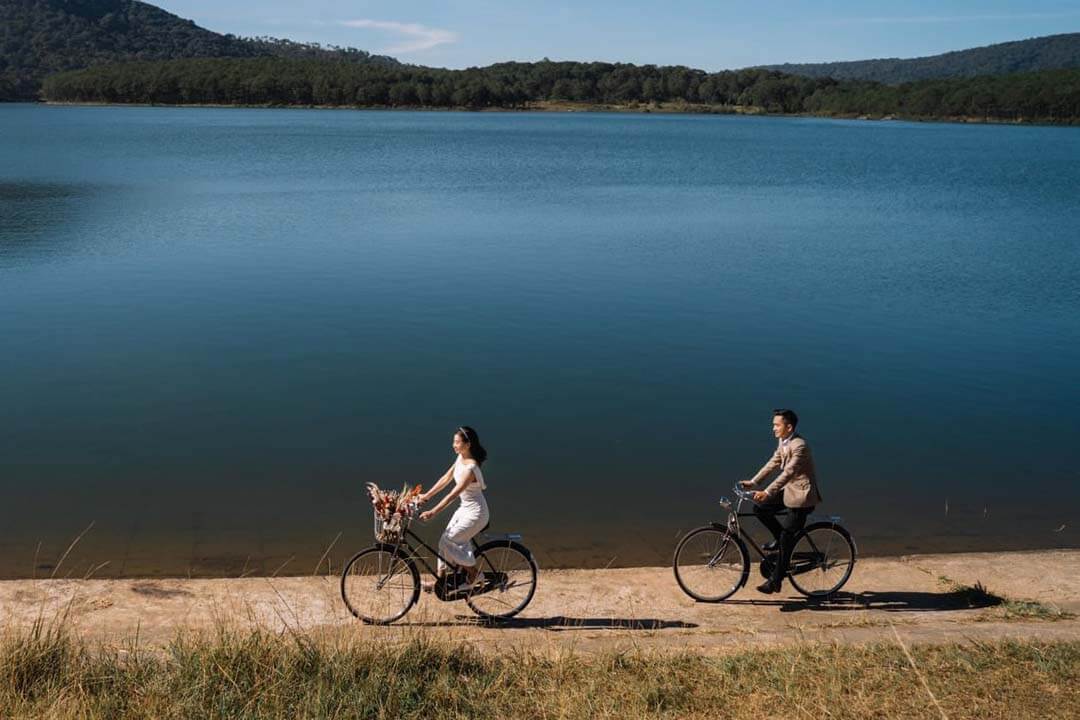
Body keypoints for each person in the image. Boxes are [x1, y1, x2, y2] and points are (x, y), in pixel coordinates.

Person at [741, 409, 822, 594]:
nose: (773, 429)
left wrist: (768, 491)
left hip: (802, 496)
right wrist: (754, 482)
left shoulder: (799, 446)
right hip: (789, 491)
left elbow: (788, 473)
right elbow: (774, 462)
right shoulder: (784, 441)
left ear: (789, 427)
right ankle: (780, 540)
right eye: (774, 425)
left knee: (787, 538)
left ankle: (775, 581)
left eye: (777, 425)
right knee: (760, 508)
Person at [418, 426, 490, 591]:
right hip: (465, 508)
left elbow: (453, 494)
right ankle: (439, 582)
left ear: (468, 444)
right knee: (444, 541)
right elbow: (446, 478)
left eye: (457, 442)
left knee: (451, 540)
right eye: (454, 442)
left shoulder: (471, 468)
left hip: (476, 513)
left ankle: (474, 574)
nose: (454, 445)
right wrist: (426, 496)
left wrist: (433, 511)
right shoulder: (460, 458)